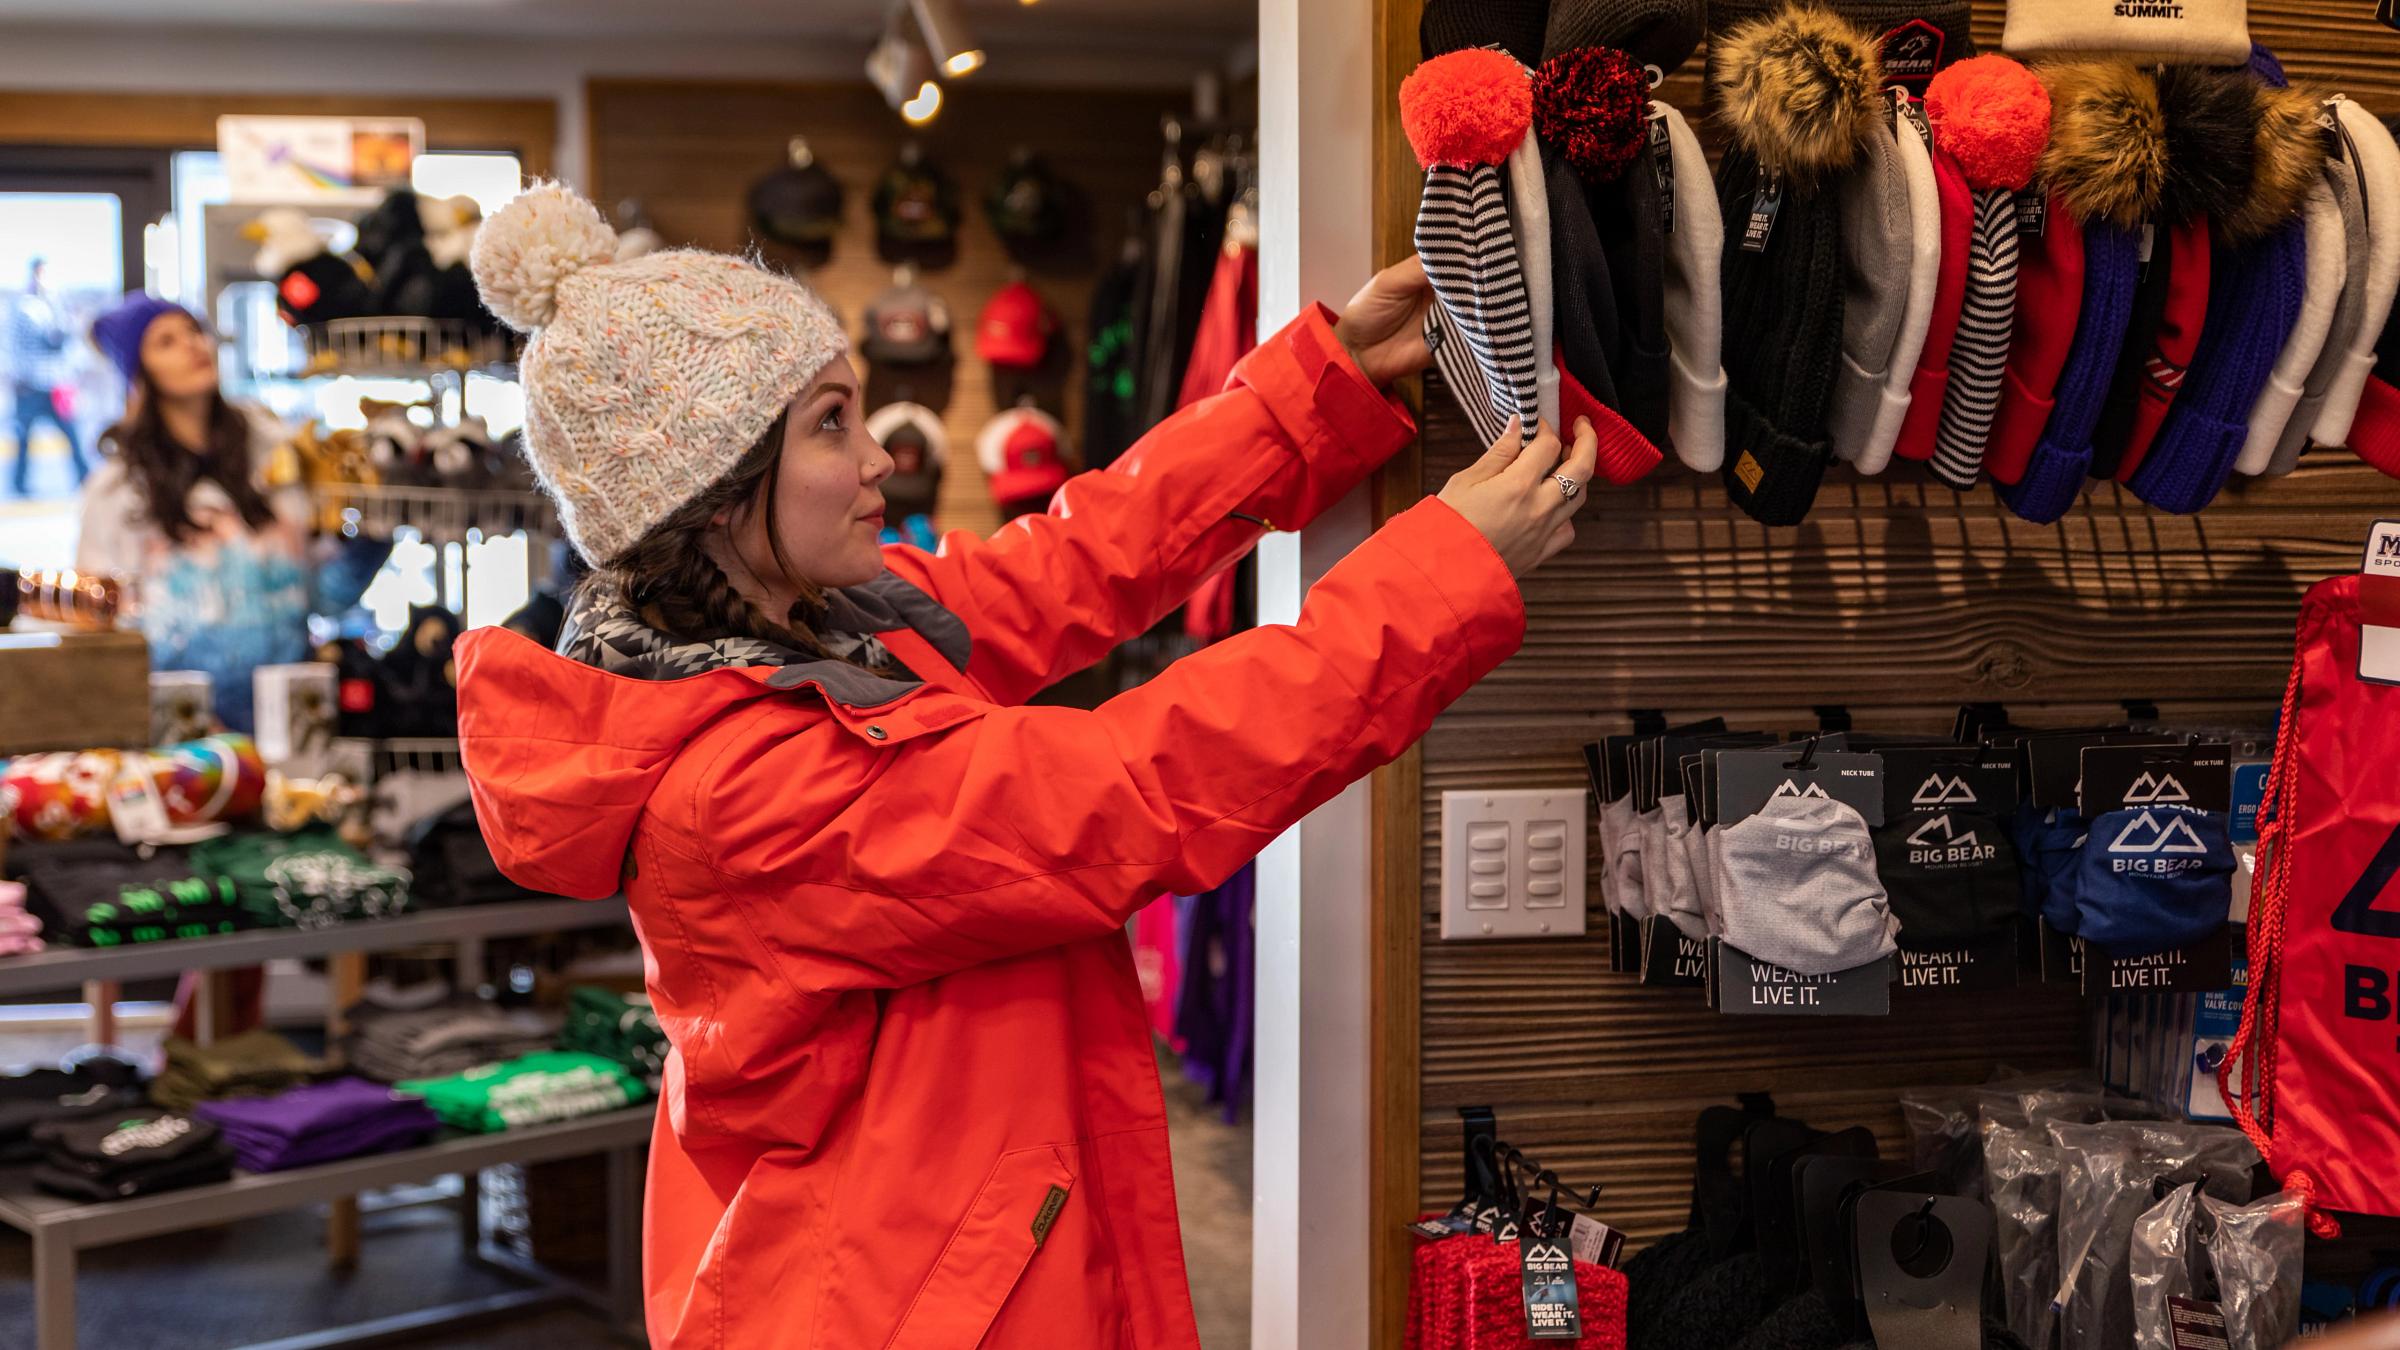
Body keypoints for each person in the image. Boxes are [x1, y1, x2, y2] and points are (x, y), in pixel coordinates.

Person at [455, 183, 1597, 1349]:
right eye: (831, 424)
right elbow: (1130, 788)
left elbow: (1075, 560)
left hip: (949, 1247)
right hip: (898, 1297)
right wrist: (1445, 577)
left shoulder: (830, 628)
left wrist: (1323, 387)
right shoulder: (746, 790)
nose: (881, 456)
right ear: (710, 497)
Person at [74, 295, 314, 736]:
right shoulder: (119, 490)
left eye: (194, 331)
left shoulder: (273, 453)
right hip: (181, 730)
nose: (192, 345)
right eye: (166, 342)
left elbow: (319, 592)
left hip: (292, 713)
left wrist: (365, 542)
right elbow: (101, 624)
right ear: (140, 373)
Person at [8, 258, 92, 495]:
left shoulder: (56, 303)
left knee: (73, 434)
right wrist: (18, 376)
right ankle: (19, 484)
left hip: (56, 384)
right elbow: (17, 344)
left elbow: (69, 343)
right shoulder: (23, 307)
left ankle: (85, 477)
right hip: (31, 385)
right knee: (23, 438)